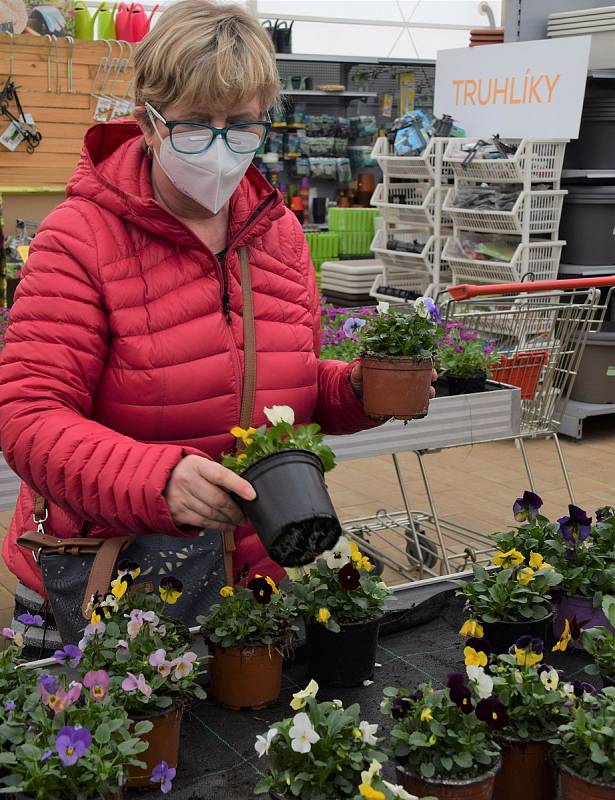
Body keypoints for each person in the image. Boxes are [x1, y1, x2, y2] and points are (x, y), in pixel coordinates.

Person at [0, 0, 435, 652]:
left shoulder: (279, 234)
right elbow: (29, 416)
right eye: (196, 123)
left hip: (246, 570)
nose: (221, 146)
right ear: (148, 121)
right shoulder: (80, 238)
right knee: (128, 744)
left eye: (241, 124)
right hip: (112, 570)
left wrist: (353, 391)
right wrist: (157, 480)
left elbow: (278, 383)